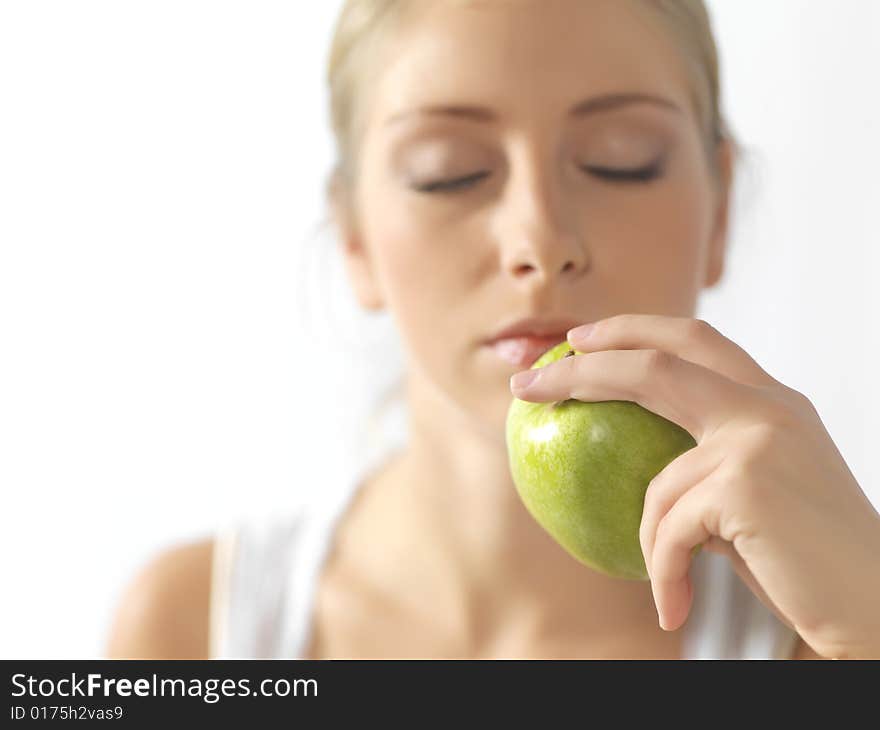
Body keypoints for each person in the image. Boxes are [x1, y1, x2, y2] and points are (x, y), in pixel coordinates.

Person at [106, 0, 880, 660]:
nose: (539, 243)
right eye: (450, 172)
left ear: (719, 211)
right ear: (354, 239)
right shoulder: (192, 632)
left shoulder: (821, 632)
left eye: (621, 162)